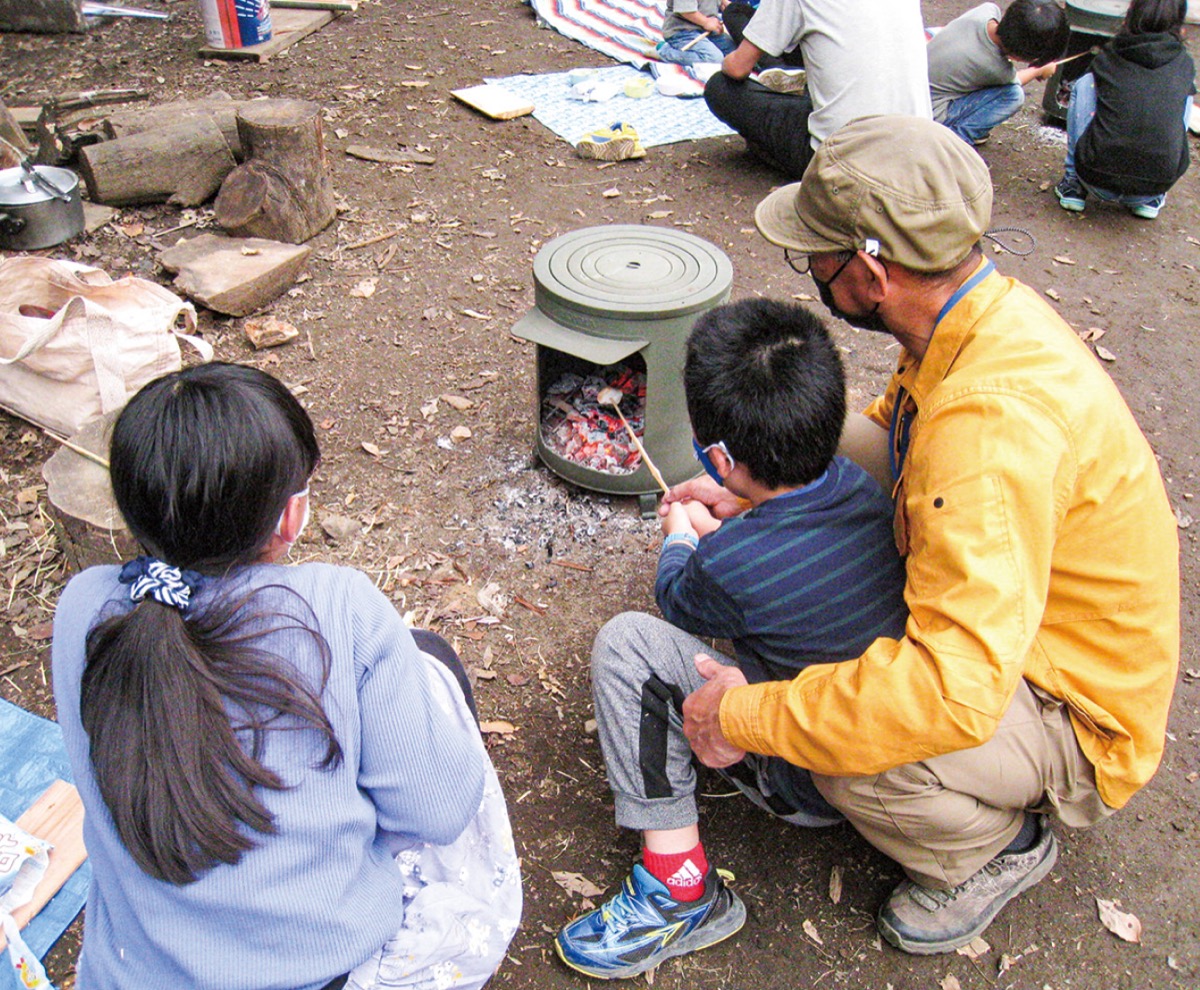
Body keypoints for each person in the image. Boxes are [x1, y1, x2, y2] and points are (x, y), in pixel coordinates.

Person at [665, 113, 1179, 956]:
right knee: (822, 446)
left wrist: (750, 713)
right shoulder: (973, 316)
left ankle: (990, 851)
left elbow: (950, 692)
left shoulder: (986, 432)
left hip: (1069, 700)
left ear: (870, 270)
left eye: (816, 257)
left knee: (849, 750)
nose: (813, 273)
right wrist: (766, 489)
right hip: (1026, 610)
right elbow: (890, 428)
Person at [51, 363, 521, 990]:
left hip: (134, 971)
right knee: (429, 663)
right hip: (319, 971)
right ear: (287, 519)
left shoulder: (83, 606)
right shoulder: (339, 606)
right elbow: (437, 813)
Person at [554, 300, 908, 979]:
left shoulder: (730, 564)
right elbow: (777, 551)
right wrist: (739, 511)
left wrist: (683, 538)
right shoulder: (866, 489)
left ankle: (678, 887)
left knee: (629, 645)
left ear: (718, 456)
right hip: (879, 728)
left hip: (809, 778)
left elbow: (679, 593)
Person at [703, 0, 932, 178]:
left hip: (843, 159)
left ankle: (773, 155)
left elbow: (737, 69)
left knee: (720, 87)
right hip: (918, 152)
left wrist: (728, 59)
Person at [1055, 0, 1194, 219]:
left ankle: (1073, 183)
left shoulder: (1110, 56)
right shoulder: (1184, 63)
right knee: (1185, 93)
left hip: (1094, 178)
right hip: (1155, 185)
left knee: (1085, 83)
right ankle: (1152, 199)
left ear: (1132, 14)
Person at [927, 0, 1069, 146]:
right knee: (1013, 96)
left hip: (923, 83)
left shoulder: (986, 11)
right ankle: (956, 144)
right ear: (1020, 56)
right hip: (930, 115)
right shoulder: (994, 68)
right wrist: (1037, 69)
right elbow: (1016, 80)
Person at [658, 0, 736, 66]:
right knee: (714, 59)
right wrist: (706, 22)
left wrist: (723, 2)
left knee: (736, 54)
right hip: (682, 31)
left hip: (707, 30)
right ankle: (665, 52)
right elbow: (685, 10)